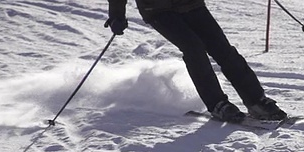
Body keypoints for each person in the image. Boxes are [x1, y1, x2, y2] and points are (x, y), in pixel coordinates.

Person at [104, 0, 287, 123]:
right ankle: (217, 104)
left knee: (222, 48)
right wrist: (116, 15)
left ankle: (256, 100)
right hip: (158, 9)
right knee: (194, 49)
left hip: (191, 3)